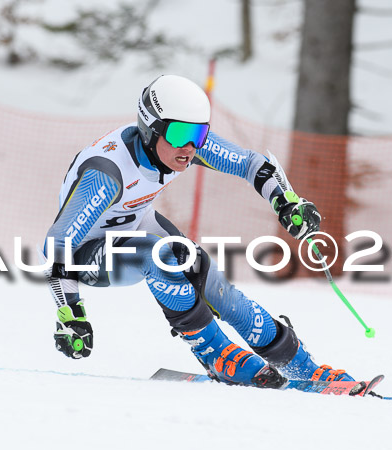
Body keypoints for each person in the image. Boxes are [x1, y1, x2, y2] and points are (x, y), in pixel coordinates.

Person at [44, 74, 353, 388]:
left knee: (210, 278)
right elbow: (58, 243)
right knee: (159, 255)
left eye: (199, 134)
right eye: (180, 134)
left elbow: (251, 163)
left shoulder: (177, 146)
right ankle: (217, 354)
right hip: (86, 253)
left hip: (134, 223)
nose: (191, 147)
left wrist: (287, 202)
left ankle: (302, 367)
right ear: (150, 130)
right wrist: (70, 312)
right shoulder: (107, 173)